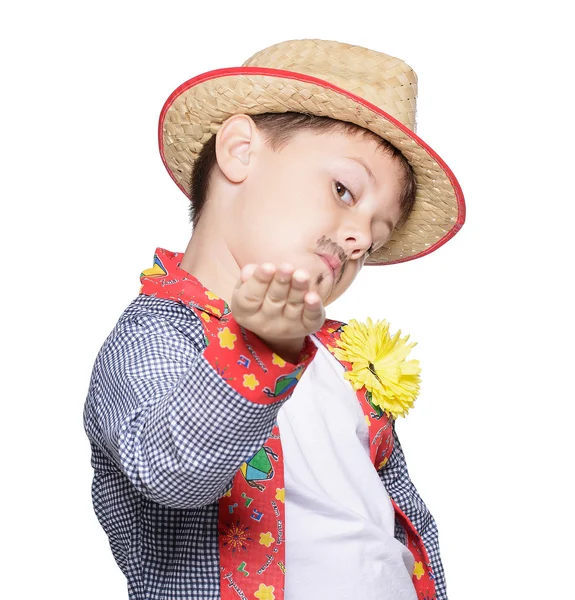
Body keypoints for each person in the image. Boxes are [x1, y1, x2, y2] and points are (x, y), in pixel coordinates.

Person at [83, 38, 465, 600]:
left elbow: (397, 519)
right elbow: (169, 469)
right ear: (239, 152)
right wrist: (259, 349)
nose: (358, 238)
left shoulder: (344, 362)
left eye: (374, 238)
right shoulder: (156, 336)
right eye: (343, 190)